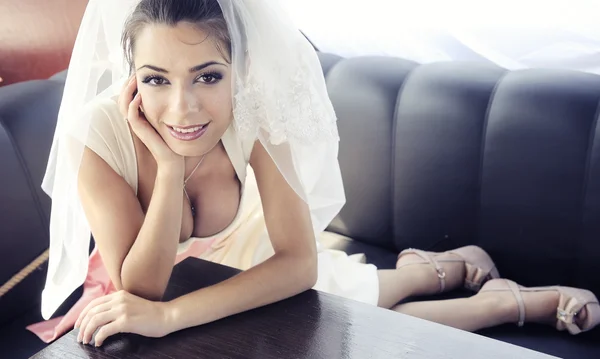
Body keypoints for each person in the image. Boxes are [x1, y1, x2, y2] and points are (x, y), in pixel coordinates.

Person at [29, 0, 599, 347]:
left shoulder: (252, 107)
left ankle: (490, 297)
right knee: (344, 295)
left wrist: (173, 317)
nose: (182, 109)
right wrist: (171, 164)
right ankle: (441, 272)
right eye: (156, 79)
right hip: (159, 292)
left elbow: (296, 263)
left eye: (206, 77)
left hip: (255, 267)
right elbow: (141, 289)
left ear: (239, 68)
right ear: (132, 75)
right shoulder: (98, 135)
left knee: (343, 307)